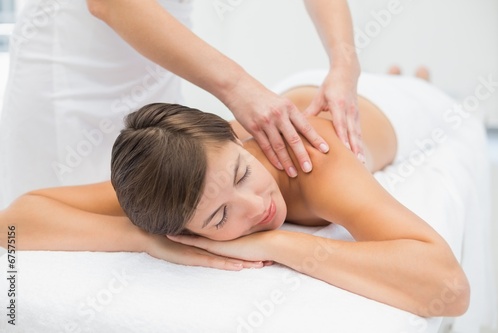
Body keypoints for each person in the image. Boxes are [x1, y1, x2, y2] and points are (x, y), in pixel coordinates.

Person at [0, 69, 470, 317]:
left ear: (236, 134)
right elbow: (13, 223)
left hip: (401, 109)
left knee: (413, 87)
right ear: (186, 230)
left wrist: (276, 242)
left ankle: (412, 80)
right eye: (220, 219)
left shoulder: (315, 162)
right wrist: (149, 241)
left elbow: (450, 289)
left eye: (244, 173)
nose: (258, 206)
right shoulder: (178, 179)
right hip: (300, 88)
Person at [0, 0, 363, 209]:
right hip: (70, 89)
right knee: (58, 240)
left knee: (179, 211)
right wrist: (238, 87)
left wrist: (345, 61)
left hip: (159, 81)